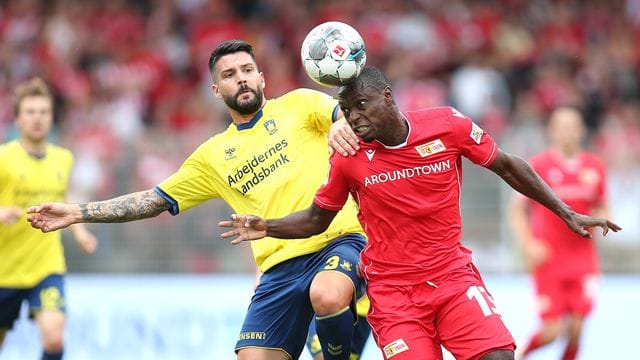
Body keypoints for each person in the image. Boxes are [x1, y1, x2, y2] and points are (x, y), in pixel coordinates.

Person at [216, 67, 621, 360]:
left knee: (498, 355)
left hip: (452, 277)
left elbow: (508, 164)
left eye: (360, 105)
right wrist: (267, 226)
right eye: (346, 109)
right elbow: (318, 219)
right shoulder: (349, 159)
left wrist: (566, 211)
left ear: (388, 98)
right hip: (394, 296)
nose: (353, 117)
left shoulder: (447, 126)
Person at [26, 40, 371, 360]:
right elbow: (153, 200)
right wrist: (76, 212)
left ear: (262, 78)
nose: (242, 79)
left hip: (336, 241)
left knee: (326, 295)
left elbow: (349, 119)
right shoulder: (212, 156)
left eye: (248, 70)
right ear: (216, 90)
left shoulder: (302, 103)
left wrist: (345, 123)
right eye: (230, 75)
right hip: (278, 270)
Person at [0, 77, 98, 360]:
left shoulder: (63, 158)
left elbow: (63, 199)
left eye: (43, 112)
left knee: (54, 338)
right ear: (17, 119)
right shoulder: (4, 158)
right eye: (30, 112)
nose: (37, 119)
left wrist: (80, 233)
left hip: (45, 267)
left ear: (51, 118)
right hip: (4, 271)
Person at [508, 106, 609, 360]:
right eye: (561, 127)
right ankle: (518, 355)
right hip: (549, 258)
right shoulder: (538, 165)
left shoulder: (595, 167)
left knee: (576, 329)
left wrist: (606, 222)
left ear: (582, 130)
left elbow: (602, 203)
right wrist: (528, 244)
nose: (567, 132)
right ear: (552, 131)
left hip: (583, 259)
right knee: (552, 331)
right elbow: (516, 210)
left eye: (572, 126)